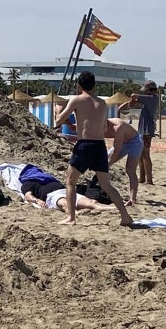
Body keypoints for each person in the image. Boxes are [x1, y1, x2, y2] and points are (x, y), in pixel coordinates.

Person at [54, 71, 133, 226]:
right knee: (106, 185)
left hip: (84, 145)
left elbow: (58, 120)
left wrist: (58, 110)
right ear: (94, 85)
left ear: (79, 86)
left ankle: (71, 218)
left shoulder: (76, 100)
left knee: (70, 182)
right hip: (99, 145)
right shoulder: (101, 103)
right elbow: (102, 126)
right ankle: (125, 216)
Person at [122, 80, 159, 184]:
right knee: (141, 154)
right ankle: (142, 178)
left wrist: (130, 101)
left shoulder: (152, 98)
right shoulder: (150, 99)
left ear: (148, 90)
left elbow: (134, 95)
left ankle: (149, 179)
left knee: (145, 155)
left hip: (146, 130)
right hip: (144, 129)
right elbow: (135, 100)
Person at [21, 177, 115, 212]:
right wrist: (37, 200)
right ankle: (78, 214)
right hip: (51, 195)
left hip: (65, 190)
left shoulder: (49, 179)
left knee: (92, 201)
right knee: (65, 204)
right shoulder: (28, 183)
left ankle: (113, 209)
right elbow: (28, 196)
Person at [105, 118, 142, 206]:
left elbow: (116, 150)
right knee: (104, 161)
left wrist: (107, 165)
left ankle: (132, 198)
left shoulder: (118, 127)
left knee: (130, 169)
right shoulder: (97, 125)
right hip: (122, 143)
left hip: (135, 142)